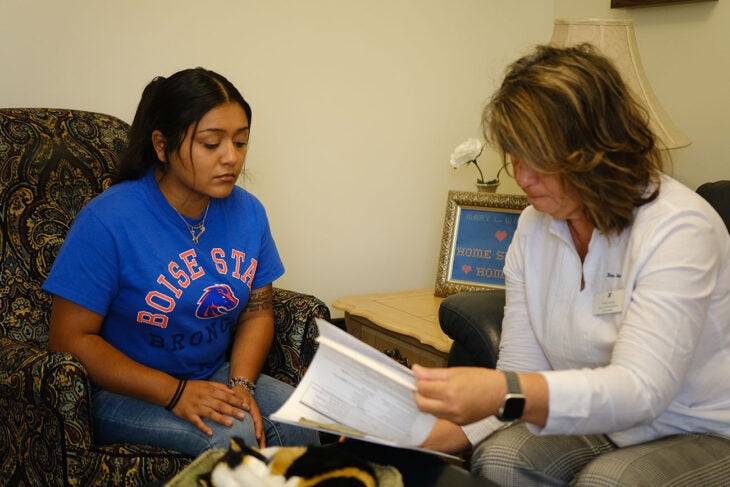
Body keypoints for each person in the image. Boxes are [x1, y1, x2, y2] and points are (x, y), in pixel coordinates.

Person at [414, 44, 730, 486]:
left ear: (597, 150)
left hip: (700, 426)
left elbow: (643, 391)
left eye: (538, 158)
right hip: (602, 422)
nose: (522, 177)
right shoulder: (532, 226)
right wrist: (420, 435)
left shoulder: (679, 227)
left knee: (610, 482)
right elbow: (523, 370)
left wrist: (500, 392)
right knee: (501, 460)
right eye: (514, 155)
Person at [43, 67, 320, 457]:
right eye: (211, 144)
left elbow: (257, 313)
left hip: (210, 373)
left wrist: (241, 386)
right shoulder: (108, 221)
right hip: (121, 390)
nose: (231, 158)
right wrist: (174, 393)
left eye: (240, 143)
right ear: (162, 146)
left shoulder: (249, 213)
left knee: (300, 421)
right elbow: (69, 340)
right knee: (232, 438)